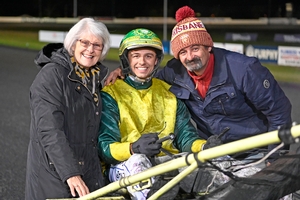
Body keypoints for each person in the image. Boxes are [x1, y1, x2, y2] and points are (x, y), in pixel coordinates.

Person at [107, 6, 292, 164]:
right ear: (177, 56)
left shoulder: (245, 70)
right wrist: (122, 72)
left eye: (195, 48)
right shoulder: (174, 72)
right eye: (183, 52)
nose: (190, 57)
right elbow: (145, 75)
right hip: (212, 152)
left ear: (208, 46)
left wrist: (274, 158)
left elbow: (279, 112)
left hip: (256, 153)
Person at [98, 28, 209, 200]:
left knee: (210, 161)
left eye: (148, 56)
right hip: (125, 165)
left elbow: (186, 137)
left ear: (156, 60)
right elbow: (104, 147)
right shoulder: (110, 93)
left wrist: (203, 147)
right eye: (136, 56)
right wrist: (133, 148)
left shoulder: (169, 92)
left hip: (165, 162)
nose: (142, 61)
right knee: (138, 161)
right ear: (126, 59)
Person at [25, 18, 111, 200]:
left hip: (86, 171)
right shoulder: (52, 76)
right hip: (56, 176)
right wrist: (70, 173)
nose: (90, 49)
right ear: (73, 43)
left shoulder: (93, 78)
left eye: (97, 45)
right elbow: (49, 130)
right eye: (85, 42)